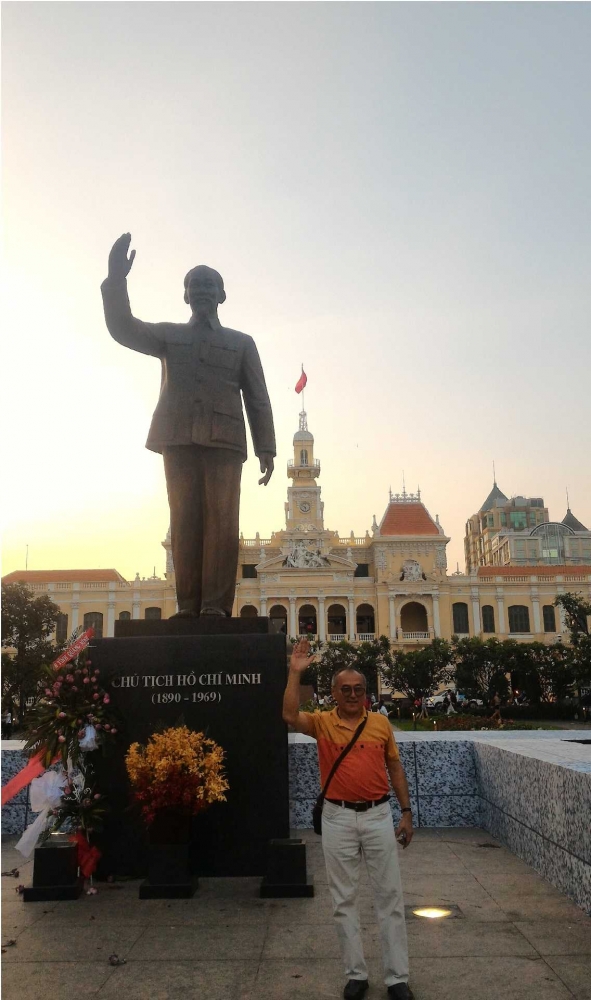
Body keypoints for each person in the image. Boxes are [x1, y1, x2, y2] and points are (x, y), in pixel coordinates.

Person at [101, 234, 276, 617]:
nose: (201, 290)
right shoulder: (169, 335)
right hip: (177, 435)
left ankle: (215, 606)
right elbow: (123, 328)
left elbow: (257, 396)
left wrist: (267, 446)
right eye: (194, 285)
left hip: (226, 440)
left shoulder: (241, 342)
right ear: (185, 295)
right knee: (183, 520)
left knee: (223, 522)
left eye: (208, 284)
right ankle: (186, 605)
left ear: (222, 294)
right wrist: (116, 281)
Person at [283, 639, 414, 1000]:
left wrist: (406, 813)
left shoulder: (380, 725)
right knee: (344, 900)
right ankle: (356, 973)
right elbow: (290, 716)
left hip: (377, 815)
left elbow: (395, 767)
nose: (353, 694)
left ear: (366, 693)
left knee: (389, 896)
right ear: (334, 694)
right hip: (338, 817)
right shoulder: (322, 724)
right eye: (345, 690)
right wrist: (295, 673)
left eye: (358, 689)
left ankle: (397, 977)